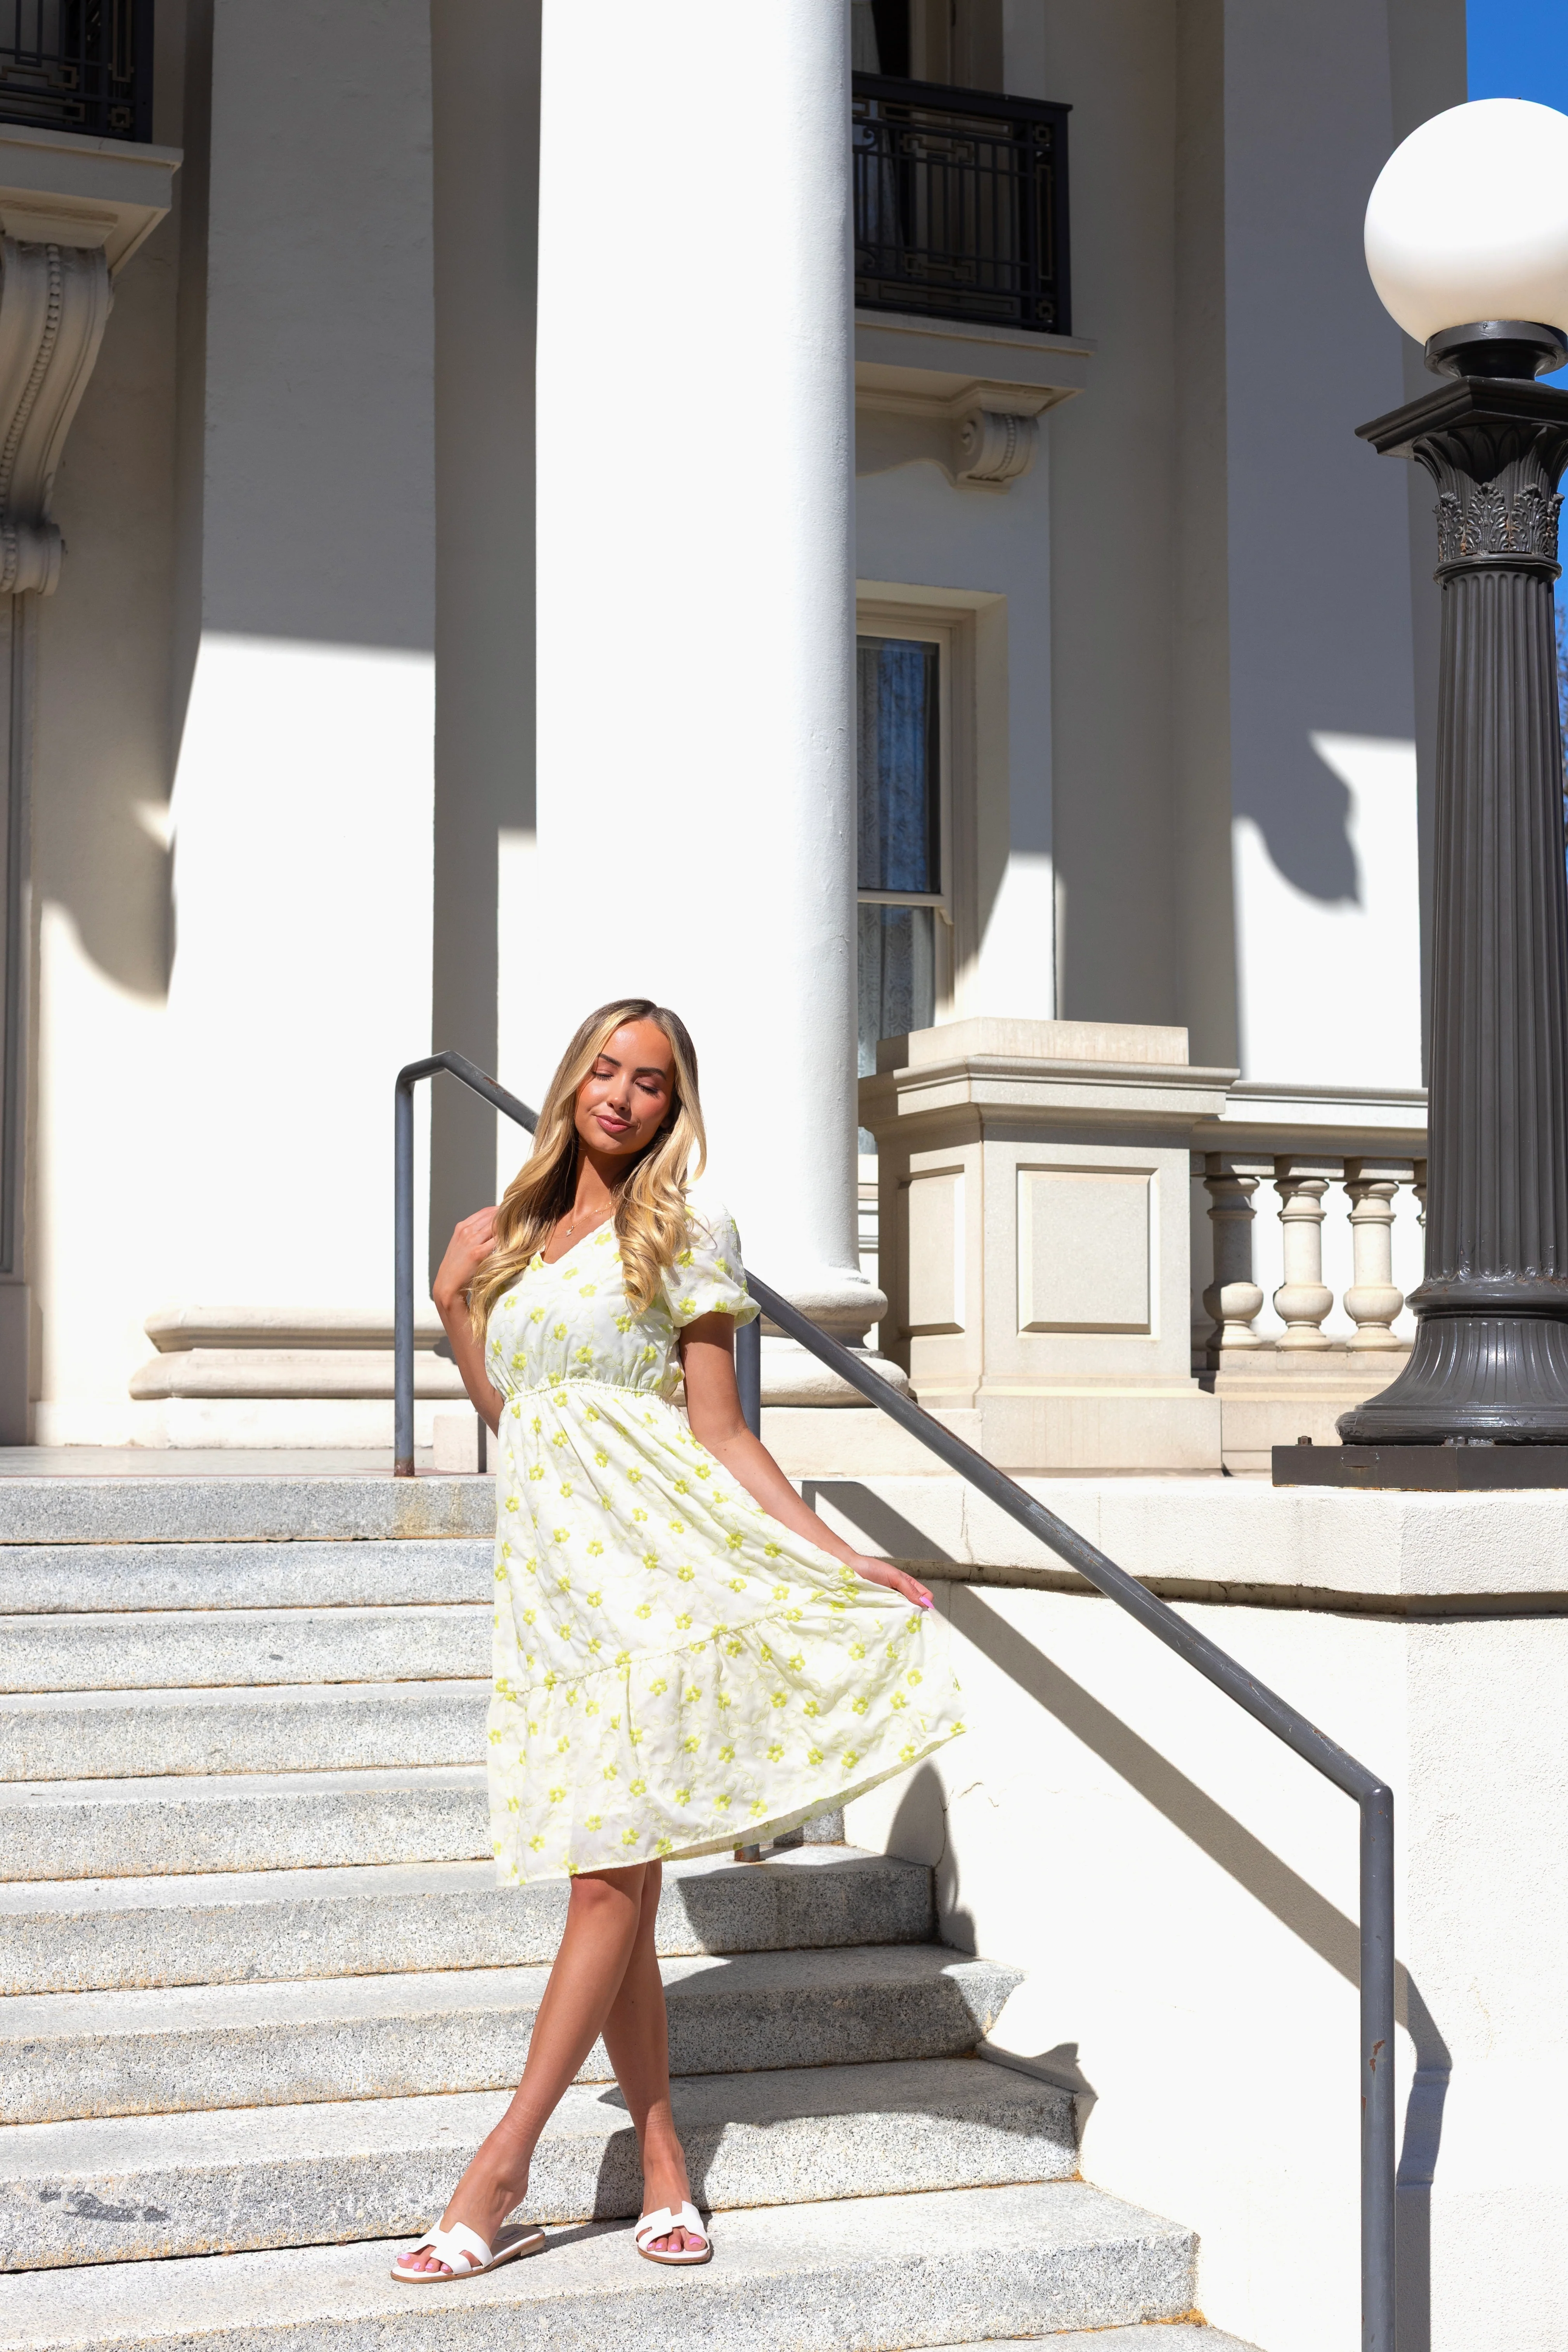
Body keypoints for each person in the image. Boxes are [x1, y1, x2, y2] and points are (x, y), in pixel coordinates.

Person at [394, 997, 965, 2284]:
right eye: (605, 1068)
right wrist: (455, 1308)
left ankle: (503, 2162)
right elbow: (520, 1417)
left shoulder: (687, 1230)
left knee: (608, 1877)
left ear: (673, 1106)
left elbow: (720, 1430)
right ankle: (662, 2165)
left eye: (651, 1081)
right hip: (552, 1587)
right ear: (571, 1082)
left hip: (655, 1572)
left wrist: (837, 1551)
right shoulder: (510, 1236)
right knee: (626, 1885)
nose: (623, 1094)